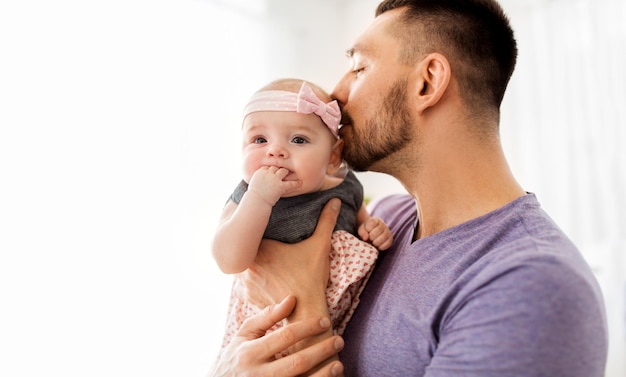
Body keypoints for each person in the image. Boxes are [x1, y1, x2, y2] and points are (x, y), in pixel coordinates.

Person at [210, 0, 609, 376]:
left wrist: (299, 298)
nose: (335, 94)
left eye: (360, 67)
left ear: (427, 83)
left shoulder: (532, 289)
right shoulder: (383, 223)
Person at [211, 78, 393, 352]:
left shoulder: (346, 185)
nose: (275, 151)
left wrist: (371, 227)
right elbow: (228, 260)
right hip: (267, 329)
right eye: (259, 139)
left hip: (339, 325)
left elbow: (360, 217)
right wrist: (259, 199)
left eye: (298, 139)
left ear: (333, 157)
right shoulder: (247, 196)